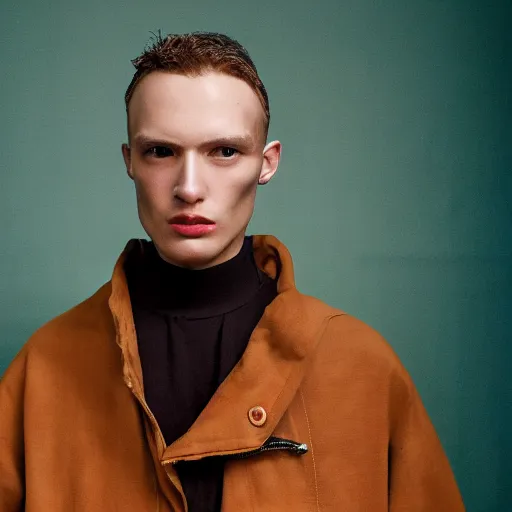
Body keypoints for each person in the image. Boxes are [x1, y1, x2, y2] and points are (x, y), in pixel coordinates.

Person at [0, 31, 465, 511]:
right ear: (130, 162)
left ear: (267, 164)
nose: (189, 187)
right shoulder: (43, 369)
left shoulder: (362, 367)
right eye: (161, 151)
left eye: (224, 152)